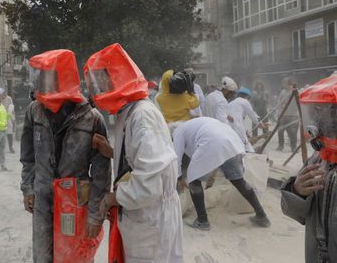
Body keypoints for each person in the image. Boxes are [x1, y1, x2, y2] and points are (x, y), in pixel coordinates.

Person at [85, 43, 184, 262]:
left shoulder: (142, 116)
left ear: (118, 76)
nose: (98, 88)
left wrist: (112, 198)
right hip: (142, 216)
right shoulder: (128, 111)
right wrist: (113, 152)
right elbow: (139, 158)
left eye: (102, 80)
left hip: (151, 219)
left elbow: (148, 186)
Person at [20, 49, 111, 262]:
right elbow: (28, 156)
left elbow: (101, 170)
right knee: (43, 256)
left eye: (46, 75)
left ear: (63, 77)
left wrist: (95, 214)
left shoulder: (91, 117)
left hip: (75, 202)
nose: (40, 82)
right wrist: (28, 188)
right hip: (43, 199)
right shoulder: (35, 111)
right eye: (39, 75)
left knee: (74, 256)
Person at [172, 117, 271, 230]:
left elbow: (176, 157)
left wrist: (179, 177)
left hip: (213, 144)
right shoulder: (195, 124)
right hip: (232, 142)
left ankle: (202, 221)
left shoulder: (177, 132)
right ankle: (262, 216)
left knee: (194, 180)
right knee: (239, 181)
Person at [281, 73, 337, 263]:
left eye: (331, 114)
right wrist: (297, 191)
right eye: (318, 113)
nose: (323, 123)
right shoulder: (318, 160)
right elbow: (297, 213)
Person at [229, 87, 267, 153]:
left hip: (228, 128)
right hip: (237, 129)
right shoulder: (244, 102)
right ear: (247, 96)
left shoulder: (232, 103)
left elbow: (238, 118)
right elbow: (252, 115)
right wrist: (260, 124)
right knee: (249, 150)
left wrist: (245, 130)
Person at [277, 77, 299, 151]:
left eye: (284, 83)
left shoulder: (295, 91)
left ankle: (293, 147)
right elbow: (279, 102)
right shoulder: (282, 92)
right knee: (280, 131)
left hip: (293, 115)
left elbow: (298, 101)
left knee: (292, 132)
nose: (283, 85)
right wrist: (279, 113)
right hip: (283, 115)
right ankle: (281, 145)